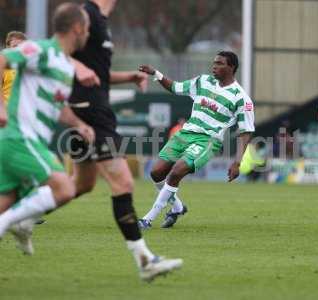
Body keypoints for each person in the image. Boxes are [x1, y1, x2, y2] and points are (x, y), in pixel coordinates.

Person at [69, 0, 182, 281]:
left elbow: (97, 75)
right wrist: (74, 66)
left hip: (91, 111)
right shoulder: (86, 15)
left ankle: (17, 217)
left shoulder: (101, 23)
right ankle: (145, 260)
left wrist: (128, 77)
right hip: (92, 114)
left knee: (78, 185)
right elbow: (53, 50)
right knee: (123, 183)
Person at [0, 2, 94, 254]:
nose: (89, 32)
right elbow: (2, 59)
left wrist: (79, 124)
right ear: (77, 28)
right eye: (87, 27)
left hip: (27, 142)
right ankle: (12, 224)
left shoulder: (64, 64)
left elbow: (58, 106)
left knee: (7, 201)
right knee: (63, 188)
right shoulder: (41, 50)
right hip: (20, 138)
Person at [138, 51, 255, 229]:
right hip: (185, 134)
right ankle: (177, 207)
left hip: (208, 140)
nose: (214, 66)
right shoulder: (203, 81)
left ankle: (148, 219)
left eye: (220, 63)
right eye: (214, 62)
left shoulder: (241, 98)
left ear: (231, 67)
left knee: (176, 172)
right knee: (156, 173)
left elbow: (246, 132)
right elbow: (175, 87)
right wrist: (156, 74)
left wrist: (237, 163)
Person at [1, 31, 27, 106]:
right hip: (7, 113)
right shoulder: (3, 68)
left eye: (21, 46)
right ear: (8, 48)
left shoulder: (32, 69)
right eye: (15, 46)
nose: (18, 49)